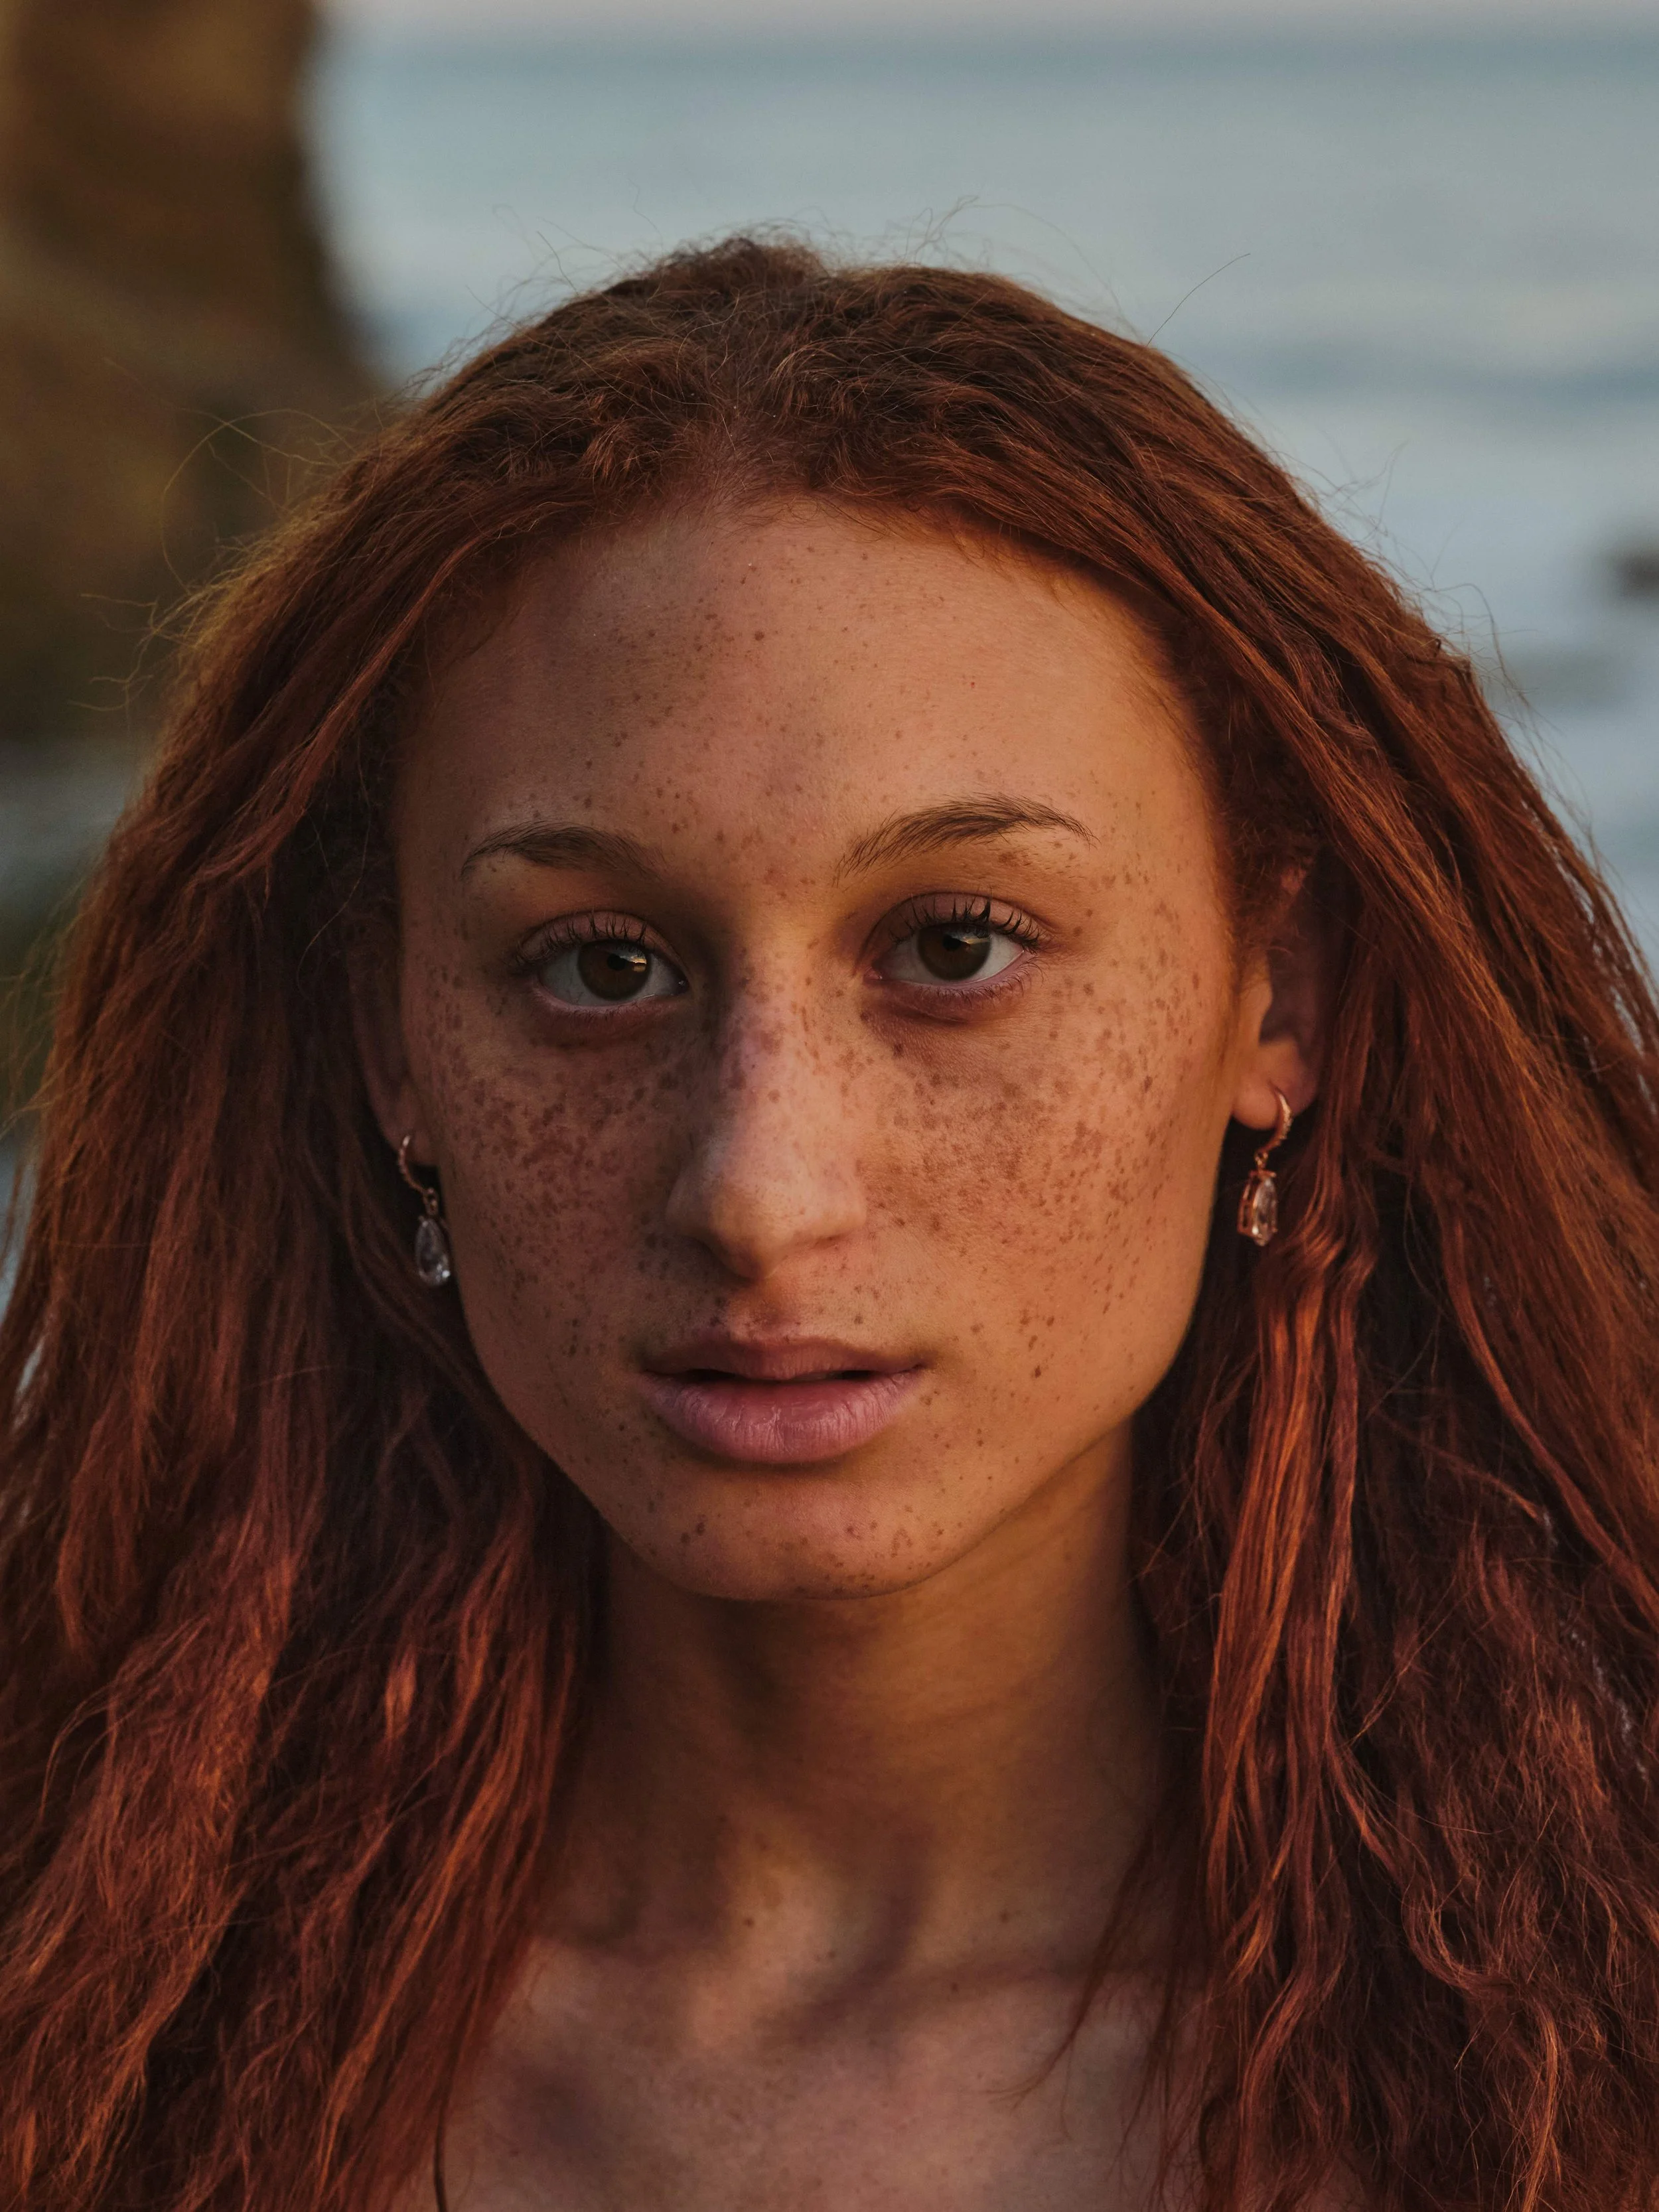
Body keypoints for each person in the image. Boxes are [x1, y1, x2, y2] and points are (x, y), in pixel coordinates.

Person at [3, 236, 1658, 2212]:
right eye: (598, 966)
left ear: (1274, 997)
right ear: (390, 1046)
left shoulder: (1598, 2046)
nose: (758, 1189)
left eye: (955, 948)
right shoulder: (82, 2033)